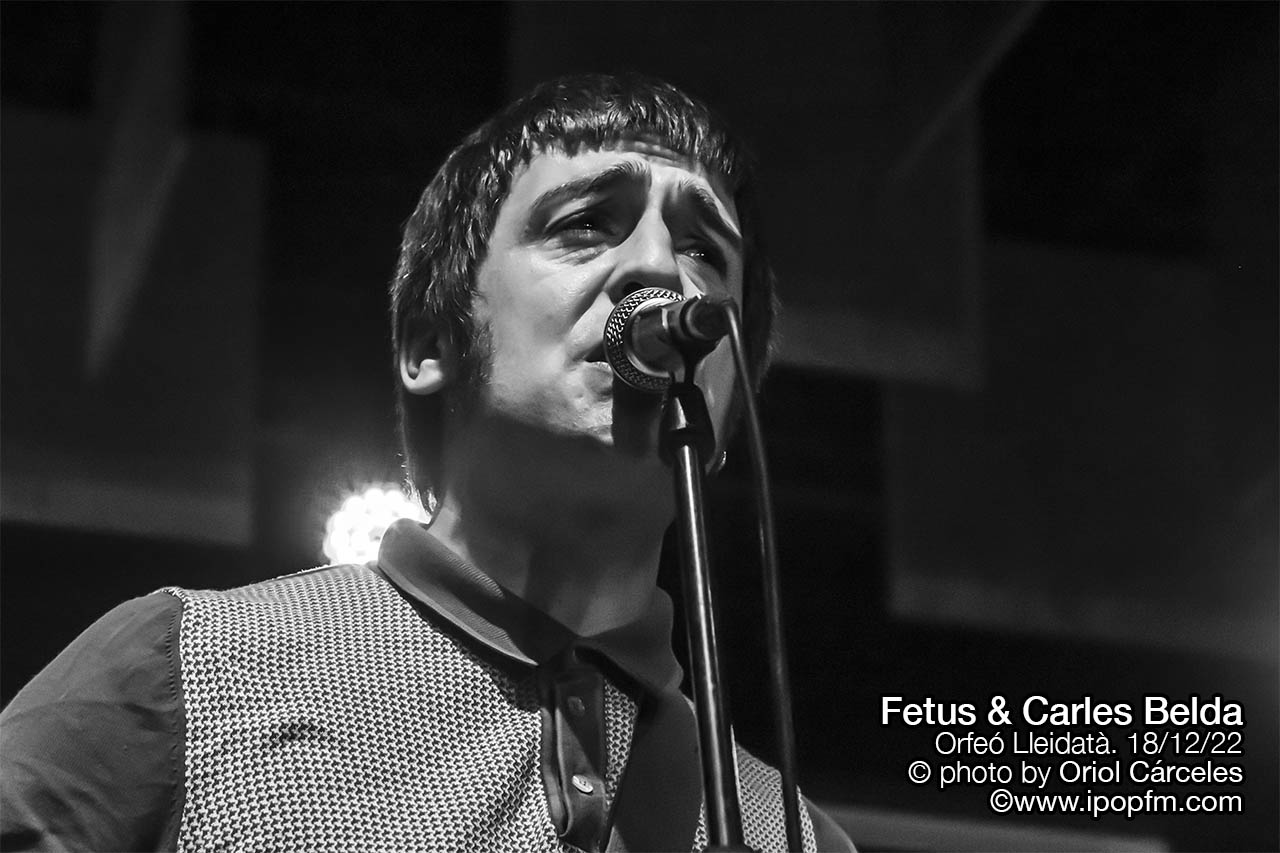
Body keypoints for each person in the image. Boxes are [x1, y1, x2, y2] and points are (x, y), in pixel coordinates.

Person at [0, 73, 853, 853]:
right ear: (430, 344)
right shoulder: (178, 667)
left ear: (729, 411)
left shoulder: (799, 836)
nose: (659, 268)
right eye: (588, 224)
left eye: (705, 251)